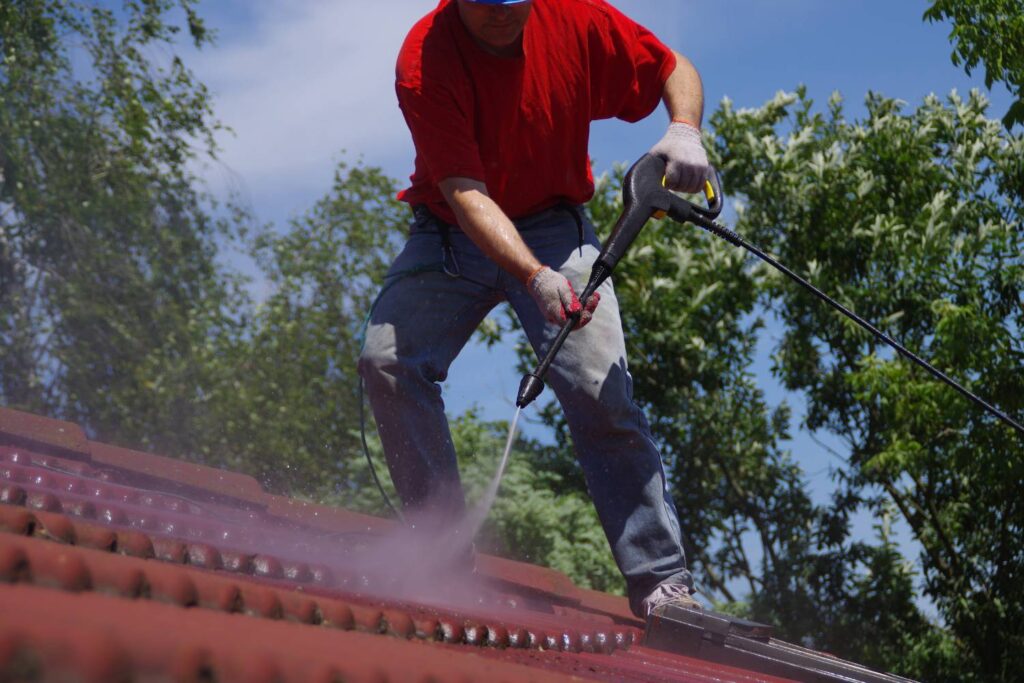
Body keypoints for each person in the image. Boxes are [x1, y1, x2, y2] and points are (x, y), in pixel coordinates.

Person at [358, 0, 710, 619]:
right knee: (388, 361)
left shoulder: (574, 19)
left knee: (601, 388)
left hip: (555, 225)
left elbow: (671, 66)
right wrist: (533, 277)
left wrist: (684, 128)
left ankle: (661, 583)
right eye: (485, 2)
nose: (501, 13)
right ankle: (438, 558)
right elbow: (465, 192)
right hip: (452, 232)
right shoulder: (424, 59)